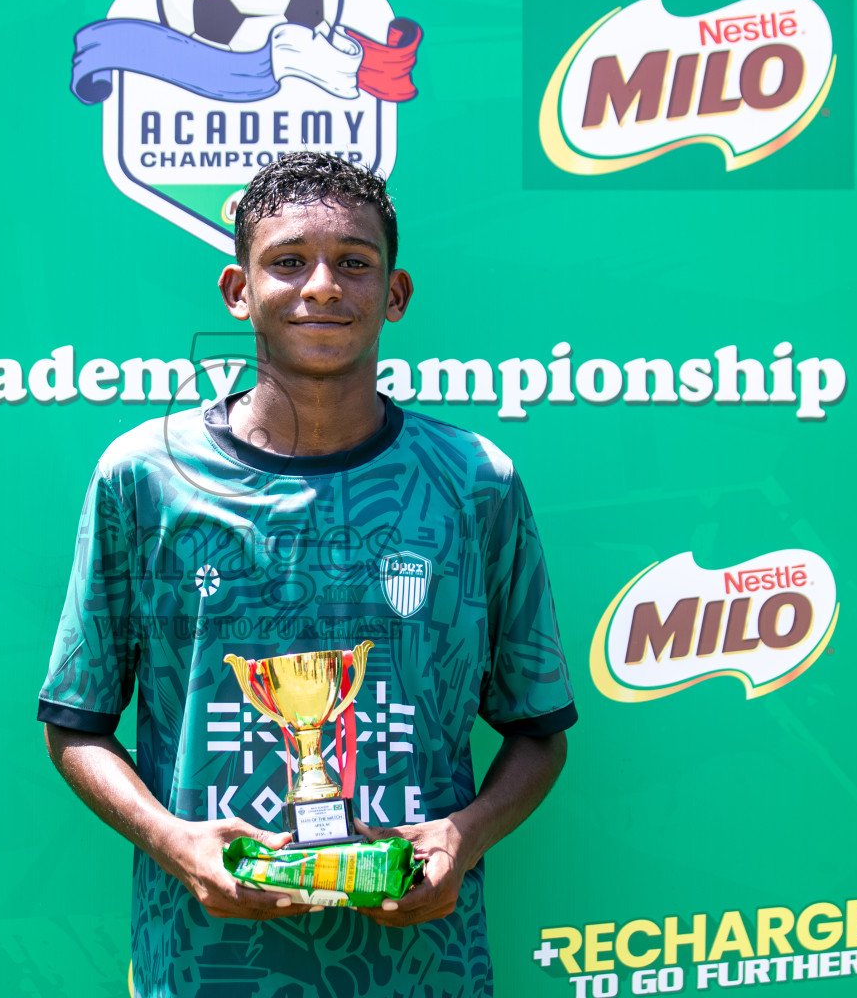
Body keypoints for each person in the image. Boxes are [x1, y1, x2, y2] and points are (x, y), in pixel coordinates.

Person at [37, 152, 577, 997]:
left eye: (354, 263)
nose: (322, 285)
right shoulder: (145, 477)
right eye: (288, 260)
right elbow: (75, 725)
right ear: (237, 290)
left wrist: (463, 838)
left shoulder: (475, 483)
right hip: (204, 963)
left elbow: (538, 731)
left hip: (421, 972)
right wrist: (172, 841)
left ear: (394, 296)